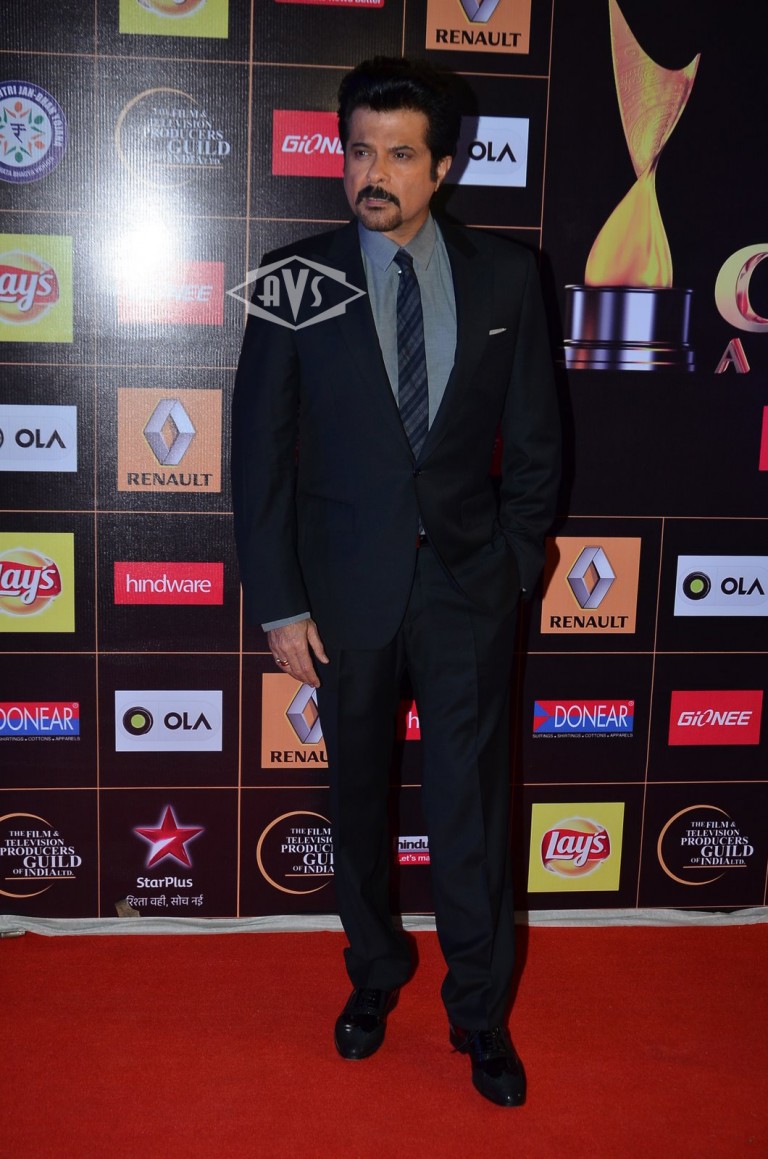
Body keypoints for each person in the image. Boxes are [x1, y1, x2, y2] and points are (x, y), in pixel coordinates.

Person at [232, 56, 560, 1107]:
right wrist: (281, 602)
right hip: (342, 598)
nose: (373, 173)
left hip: (467, 590)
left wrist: (513, 563)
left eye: (400, 154)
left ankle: (480, 1013)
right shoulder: (293, 277)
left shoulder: (509, 276)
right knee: (358, 803)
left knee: (473, 814)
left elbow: (538, 443)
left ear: (443, 167)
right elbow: (258, 458)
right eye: (359, 150)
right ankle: (373, 972)